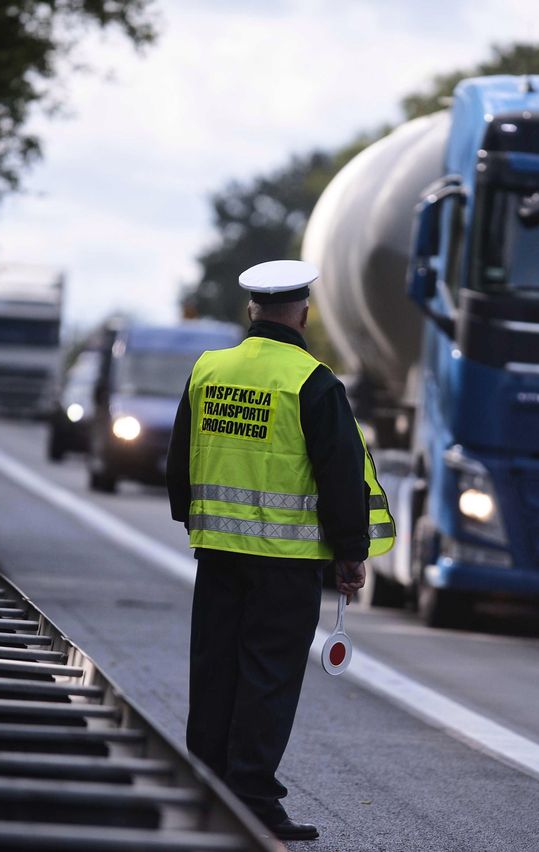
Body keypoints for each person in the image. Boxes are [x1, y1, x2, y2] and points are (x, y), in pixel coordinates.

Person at [165, 259, 395, 841]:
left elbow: (180, 457)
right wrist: (351, 553)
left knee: (214, 669)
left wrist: (192, 518)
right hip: (287, 565)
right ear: (303, 313)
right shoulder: (312, 382)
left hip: (217, 552)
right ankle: (253, 800)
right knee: (267, 676)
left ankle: (205, 786)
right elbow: (342, 475)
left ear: (251, 309)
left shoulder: (208, 369)